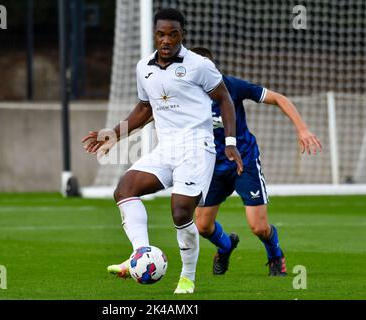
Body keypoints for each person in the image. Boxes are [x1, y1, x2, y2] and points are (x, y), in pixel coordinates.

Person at [82, 9, 243, 294]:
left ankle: (187, 277)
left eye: (173, 34)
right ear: (154, 35)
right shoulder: (143, 67)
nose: (166, 40)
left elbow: (225, 99)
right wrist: (114, 134)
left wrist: (230, 144)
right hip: (166, 147)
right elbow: (145, 109)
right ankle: (141, 254)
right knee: (125, 188)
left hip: (197, 148)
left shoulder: (199, 65)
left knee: (181, 212)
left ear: (183, 35)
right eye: (161, 34)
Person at [190, 47, 322, 276]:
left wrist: (303, 129)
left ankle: (275, 256)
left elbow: (278, 98)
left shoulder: (231, 86)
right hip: (211, 165)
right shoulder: (186, 95)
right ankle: (226, 246)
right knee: (202, 226)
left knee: (259, 227)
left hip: (244, 161)